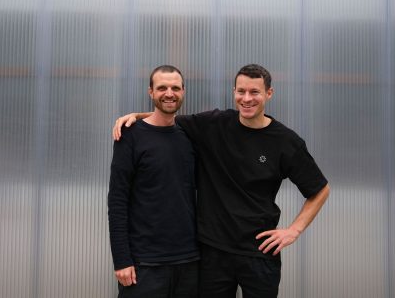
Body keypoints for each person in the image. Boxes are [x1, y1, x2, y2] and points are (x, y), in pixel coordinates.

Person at [112, 64, 330, 298]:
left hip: (259, 254)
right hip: (212, 255)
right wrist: (135, 116)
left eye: (254, 92)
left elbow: (319, 189)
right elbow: (167, 114)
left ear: (269, 93)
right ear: (234, 92)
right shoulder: (214, 124)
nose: (247, 99)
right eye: (241, 91)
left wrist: (293, 231)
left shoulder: (286, 142)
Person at [108, 65, 199, 298]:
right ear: (150, 92)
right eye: (162, 88)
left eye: (175, 88)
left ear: (183, 91)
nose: (169, 93)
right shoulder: (130, 135)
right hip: (144, 265)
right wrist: (121, 260)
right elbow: (118, 201)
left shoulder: (191, 136)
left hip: (190, 262)